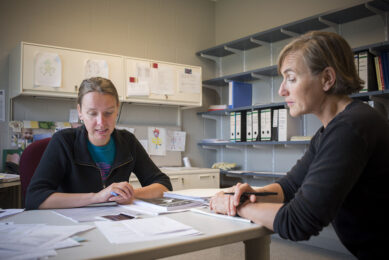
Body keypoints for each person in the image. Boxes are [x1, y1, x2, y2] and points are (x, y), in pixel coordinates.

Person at [209, 31, 388, 259]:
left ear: (327, 79)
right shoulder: (331, 130)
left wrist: (236, 207)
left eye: (291, 78)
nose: (281, 90)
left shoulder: (351, 127)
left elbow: (299, 222)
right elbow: (289, 188)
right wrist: (253, 193)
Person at [26, 77, 172, 210]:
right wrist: (97, 197)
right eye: (92, 113)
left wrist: (129, 193)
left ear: (117, 110)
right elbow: (34, 198)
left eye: (108, 113)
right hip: (72, 225)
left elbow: (163, 185)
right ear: (80, 112)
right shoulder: (63, 141)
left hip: (115, 222)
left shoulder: (128, 142)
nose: (101, 123)